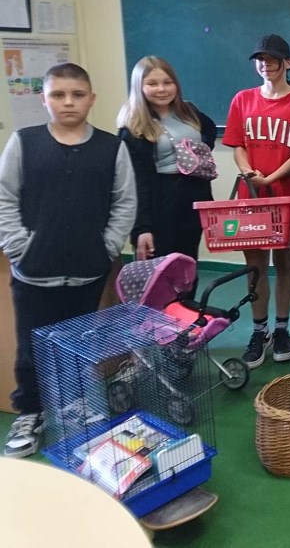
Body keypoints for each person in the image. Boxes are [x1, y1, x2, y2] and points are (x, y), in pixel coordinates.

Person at [0, 63, 136, 458]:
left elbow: (124, 202)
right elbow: (5, 197)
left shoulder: (111, 148)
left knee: (79, 343)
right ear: (44, 99)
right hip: (33, 273)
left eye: (77, 95)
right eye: (58, 95)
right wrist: (19, 248)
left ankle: (76, 404)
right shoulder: (23, 142)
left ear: (91, 99)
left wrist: (106, 248)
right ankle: (30, 412)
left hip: (87, 271)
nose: (68, 102)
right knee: (30, 348)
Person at [223, 34, 290, 369]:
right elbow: (237, 144)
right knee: (255, 264)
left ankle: (281, 329)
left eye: (273, 59)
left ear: (287, 63)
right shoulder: (242, 99)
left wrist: (272, 177)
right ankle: (259, 330)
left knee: (286, 262)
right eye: (260, 60)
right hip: (252, 195)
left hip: (287, 192)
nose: (266, 65)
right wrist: (248, 171)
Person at [117, 56, 215, 270]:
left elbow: (209, 130)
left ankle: (186, 295)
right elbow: (136, 183)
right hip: (159, 204)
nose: (161, 89)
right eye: (152, 84)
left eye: (167, 82)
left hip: (192, 202)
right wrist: (142, 228)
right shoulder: (134, 127)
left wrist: (196, 153)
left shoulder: (188, 111)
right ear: (139, 87)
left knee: (187, 267)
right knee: (159, 272)